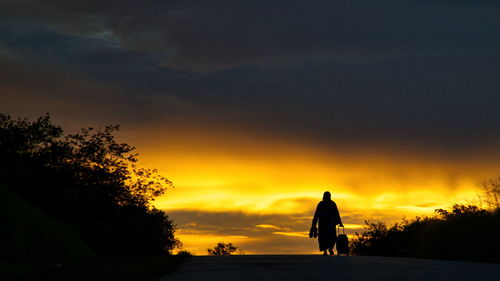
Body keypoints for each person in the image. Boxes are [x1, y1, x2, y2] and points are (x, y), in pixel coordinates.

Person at [311, 191, 343, 256]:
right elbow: (316, 215)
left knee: (332, 237)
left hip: (330, 224)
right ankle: (326, 250)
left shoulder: (332, 204)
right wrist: (313, 225)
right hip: (323, 224)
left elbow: (336, 213)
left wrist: (340, 222)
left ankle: (330, 249)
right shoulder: (321, 204)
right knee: (323, 238)